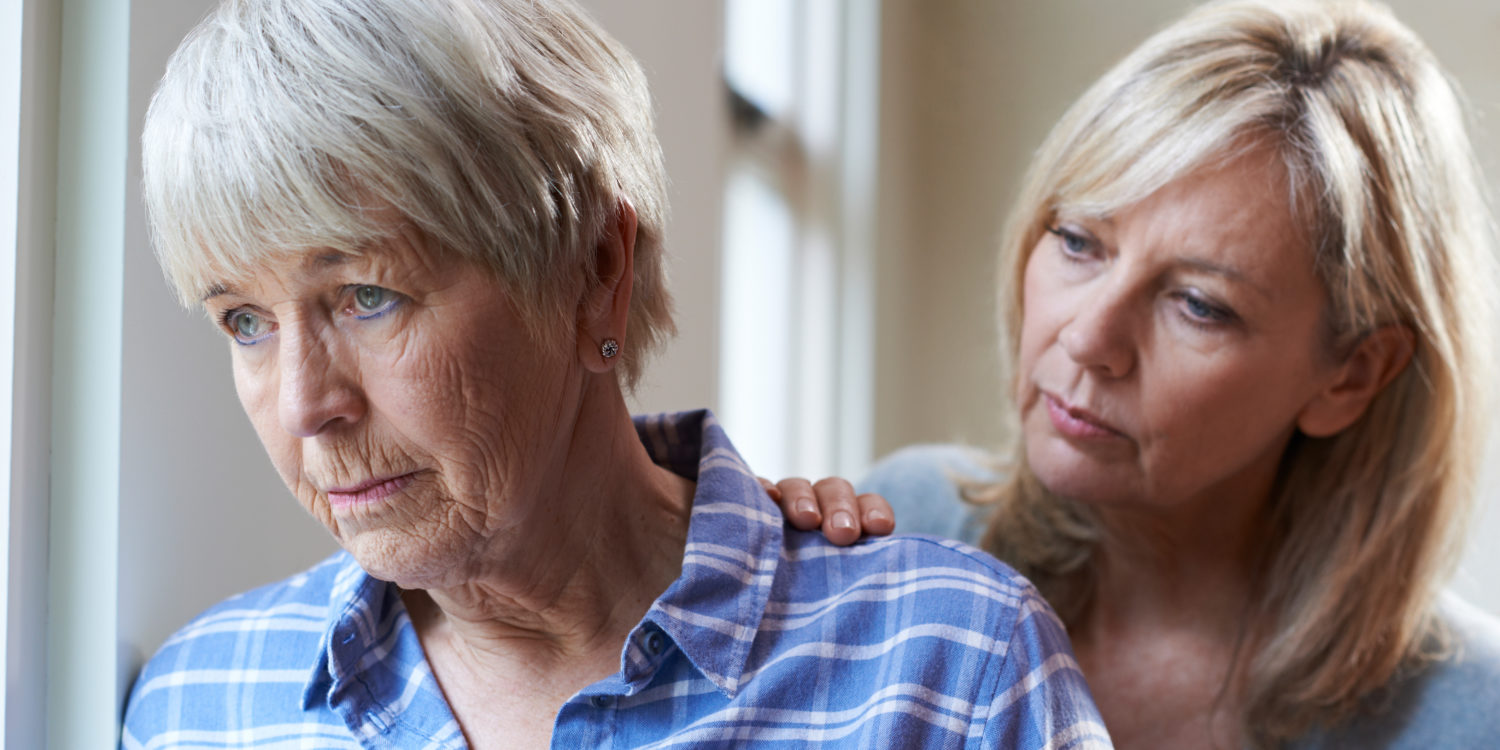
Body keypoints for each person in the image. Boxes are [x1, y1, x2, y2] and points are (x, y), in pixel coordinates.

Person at [120, 0, 1113, 747]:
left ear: (596, 271)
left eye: (367, 296)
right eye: (244, 321)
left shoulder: (950, 668)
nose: (305, 406)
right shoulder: (196, 705)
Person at [772, 0, 1500, 748]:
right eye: (1080, 240)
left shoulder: (1472, 714)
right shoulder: (906, 525)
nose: (1088, 338)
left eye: (1198, 304)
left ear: (1351, 375)